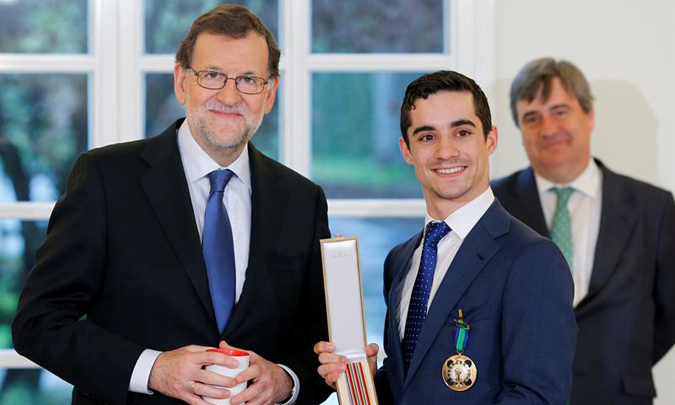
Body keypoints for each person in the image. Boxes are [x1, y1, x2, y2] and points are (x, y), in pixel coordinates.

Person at [12, 5, 332, 405]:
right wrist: (152, 369)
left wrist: (285, 382)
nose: (230, 96)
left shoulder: (302, 200)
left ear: (270, 94)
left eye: (249, 79)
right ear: (182, 82)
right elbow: (38, 323)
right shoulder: (105, 177)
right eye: (212, 75)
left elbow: (324, 347)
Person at [315, 70, 577, 404]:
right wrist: (363, 380)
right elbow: (409, 385)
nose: (445, 152)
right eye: (427, 137)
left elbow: (537, 398)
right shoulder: (400, 260)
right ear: (407, 150)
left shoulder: (533, 259)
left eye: (462, 132)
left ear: (490, 140)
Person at [491, 57, 675, 405]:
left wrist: (623, 363)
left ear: (588, 115)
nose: (547, 128)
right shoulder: (491, 206)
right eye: (532, 117)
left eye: (560, 111)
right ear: (518, 129)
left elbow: (670, 312)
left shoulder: (654, 207)